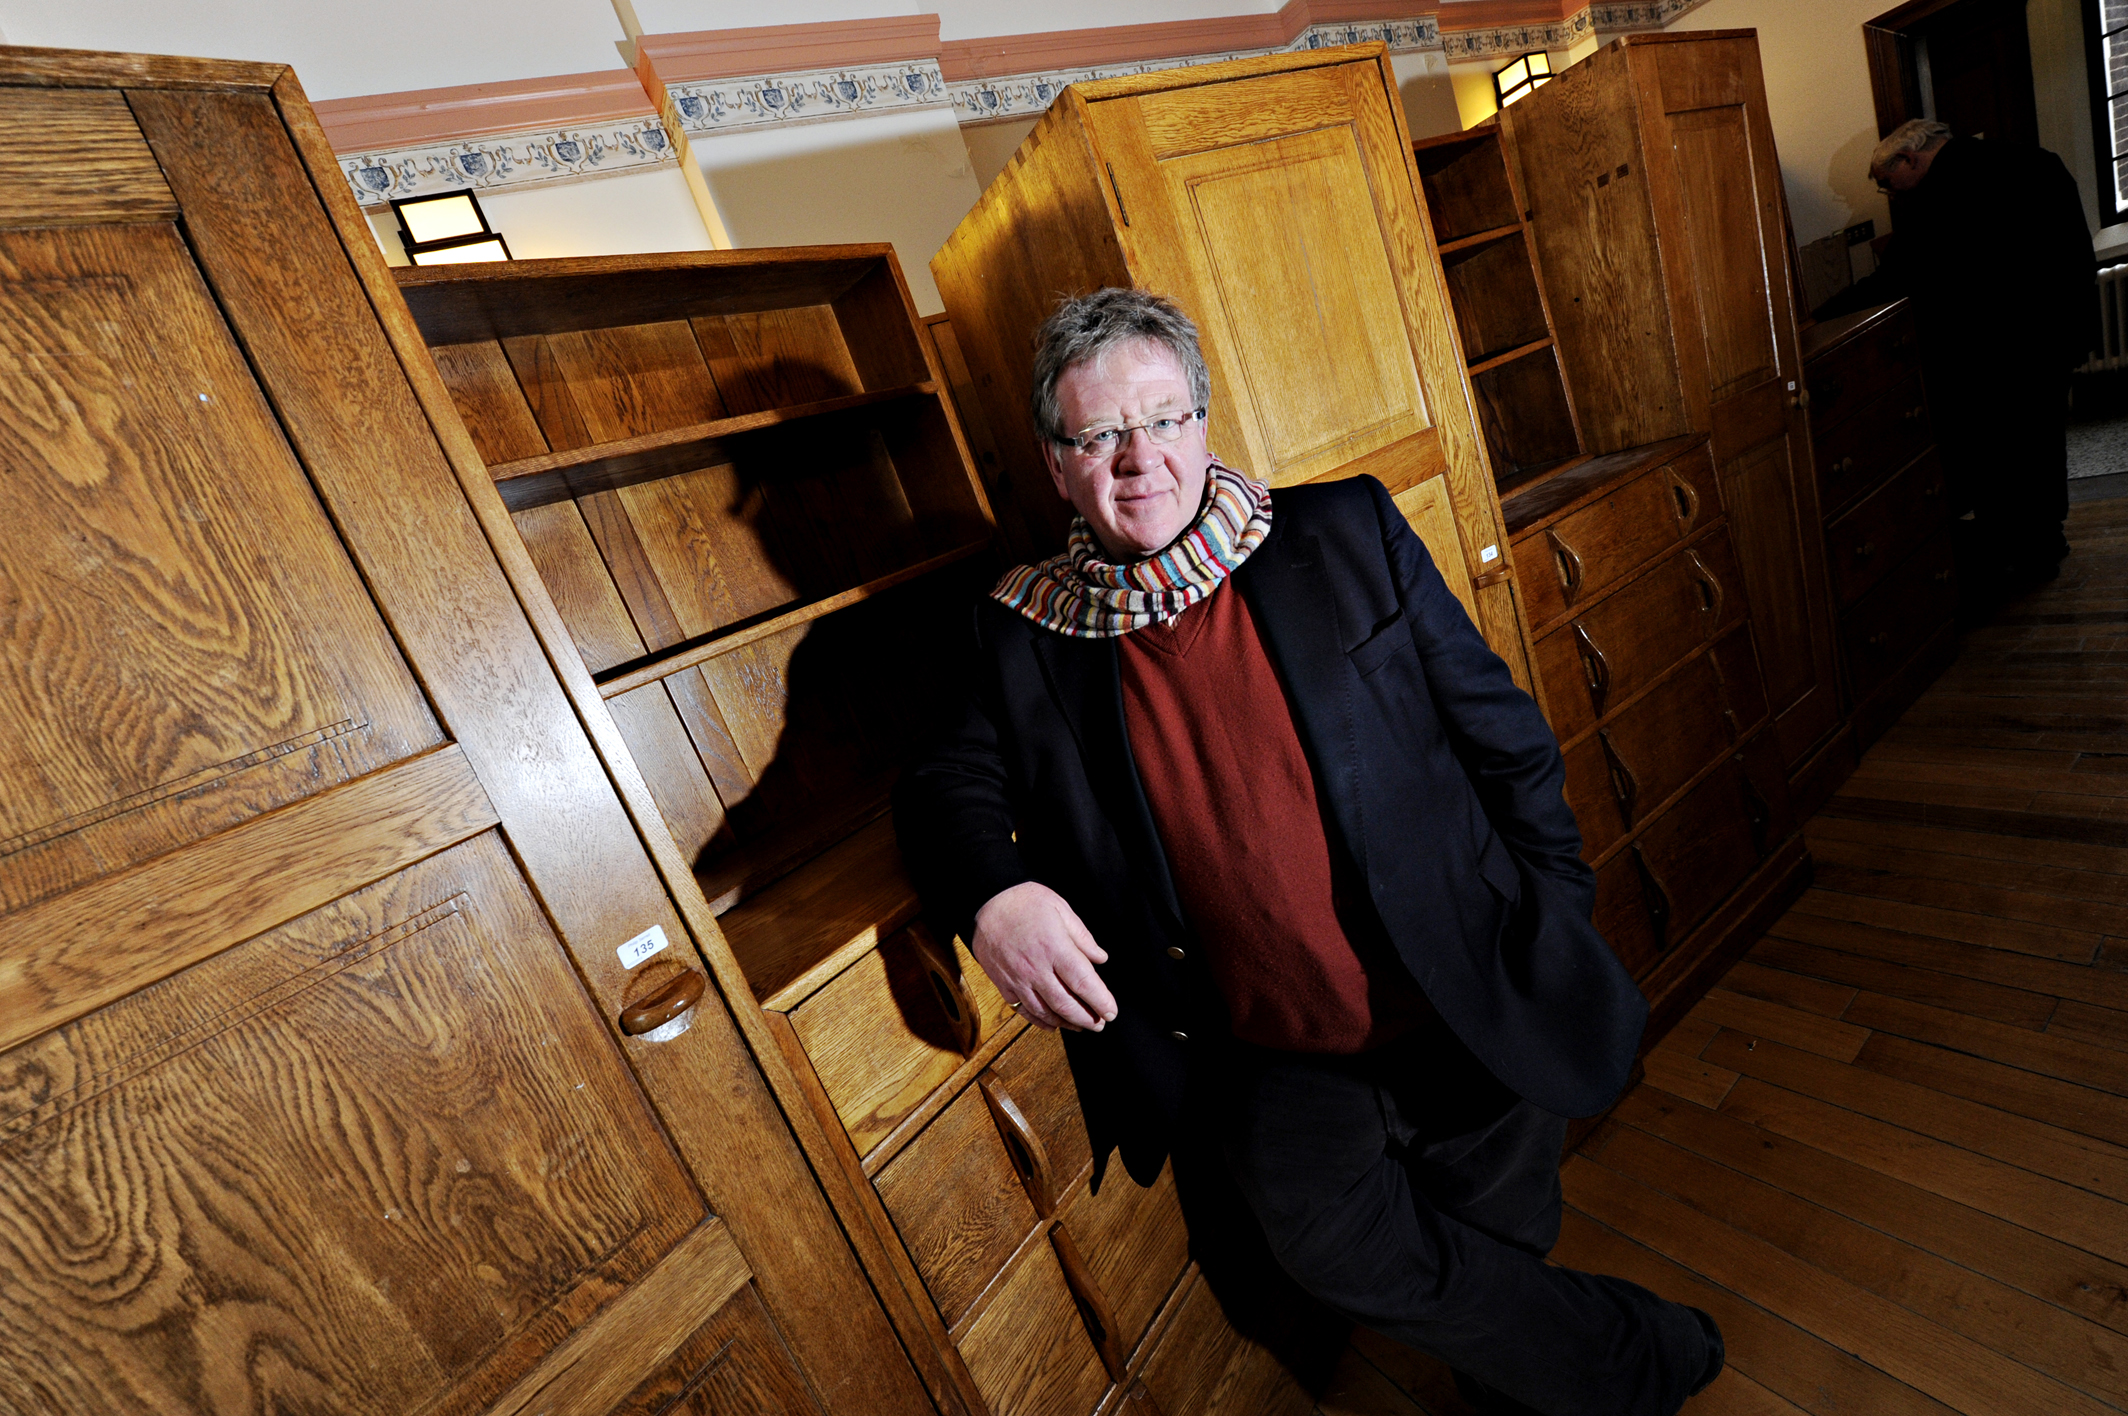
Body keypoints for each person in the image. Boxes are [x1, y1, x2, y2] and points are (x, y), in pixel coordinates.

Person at [895, 288, 1723, 1415]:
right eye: (1099, 435)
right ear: (1057, 465)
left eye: (1163, 418)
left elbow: (1507, 741)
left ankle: (1544, 1391)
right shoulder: (1021, 629)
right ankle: (1643, 1353)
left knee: (1503, 1234)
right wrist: (996, 896)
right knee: (1334, 1251)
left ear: (1202, 422)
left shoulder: (1342, 533)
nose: (1139, 459)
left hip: (1460, 988)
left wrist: (1548, 912)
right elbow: (942, 782)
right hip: (1266, 1053)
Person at [1824, 118, 2095, 600]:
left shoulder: (1937, 197)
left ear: (1910, 158)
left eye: (1888, 183)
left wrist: (1820, 316)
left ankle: (2013, 555)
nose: (1890, 194)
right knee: (2042, 440)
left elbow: (1896, 279)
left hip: (1989, 353)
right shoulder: (2036, 162)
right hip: (2050, 336)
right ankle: (2046, 542)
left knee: (1997, 454)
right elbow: (2077, 253)